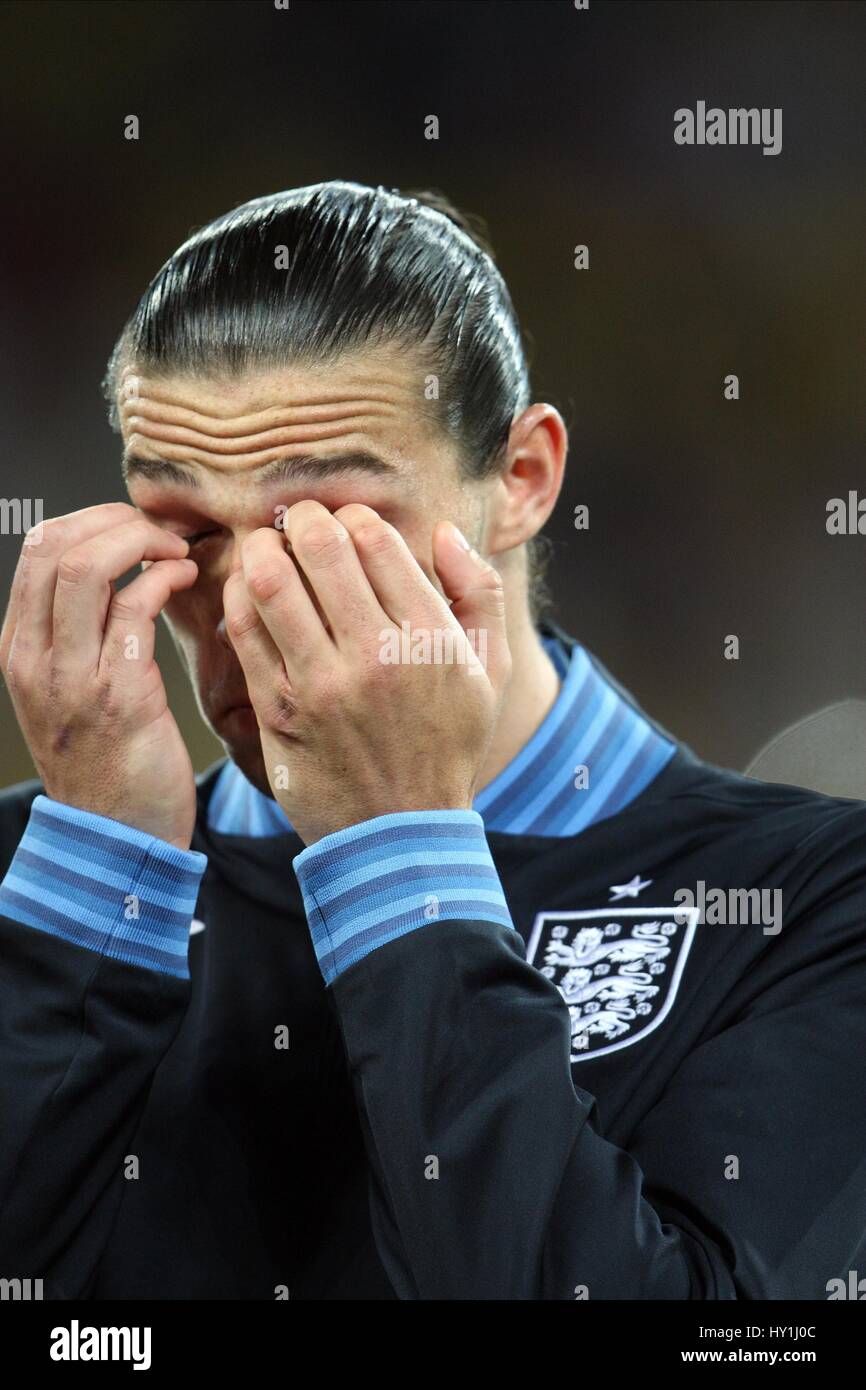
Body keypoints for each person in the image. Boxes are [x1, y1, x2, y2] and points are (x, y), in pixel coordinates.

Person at [0, 181, 864, 1300]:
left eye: (328, 528)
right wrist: (92, 907)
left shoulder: (812, 902)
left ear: (521, 479)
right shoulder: (43, 878)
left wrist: (398, 850)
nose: (254, 598)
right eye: (186, 531)